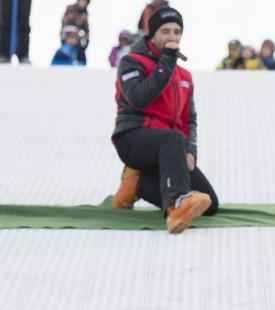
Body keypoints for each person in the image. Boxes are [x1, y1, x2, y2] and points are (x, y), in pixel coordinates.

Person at [111, 7, 218, 234]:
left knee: (210, 203)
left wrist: (190, 151)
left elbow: (190, 119)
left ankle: (136, 184)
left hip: (170, 145)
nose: (172, 37)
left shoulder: (185, 76)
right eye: (165, 31)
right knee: (172, 138)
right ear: (152, 34)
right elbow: (139, 97)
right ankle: (176, 205)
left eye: (177, 31)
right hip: (133, 138)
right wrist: (167, 62)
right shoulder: (131, 61)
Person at [61, 0, 90, 64]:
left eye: (85, 1)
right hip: (68, 36)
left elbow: (86, 29)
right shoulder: (70, 9)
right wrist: (67, 36)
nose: (83, 3)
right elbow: (64, 24)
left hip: (79, 40)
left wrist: (86, 39)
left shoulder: (85, 13)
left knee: (80, 56)